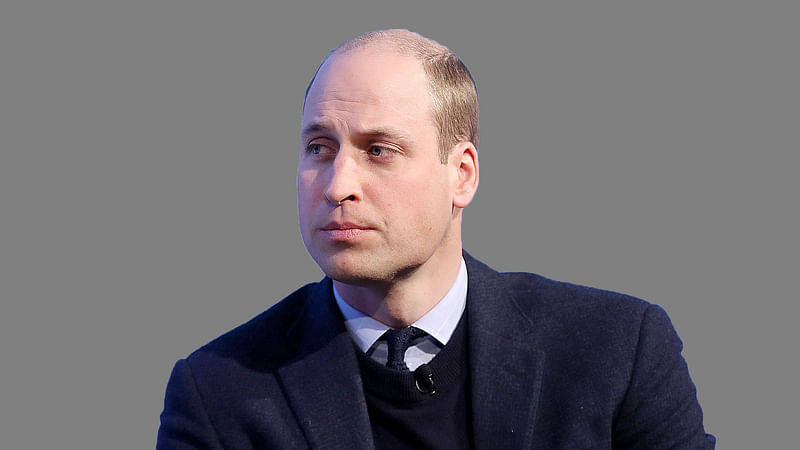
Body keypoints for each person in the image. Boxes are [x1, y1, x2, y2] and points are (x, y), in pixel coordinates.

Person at [157, 29, 714, 449]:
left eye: (379, 150)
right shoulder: (219, 392)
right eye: (319, 148)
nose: (337, 185)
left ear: (462, 174)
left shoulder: (617, 351)